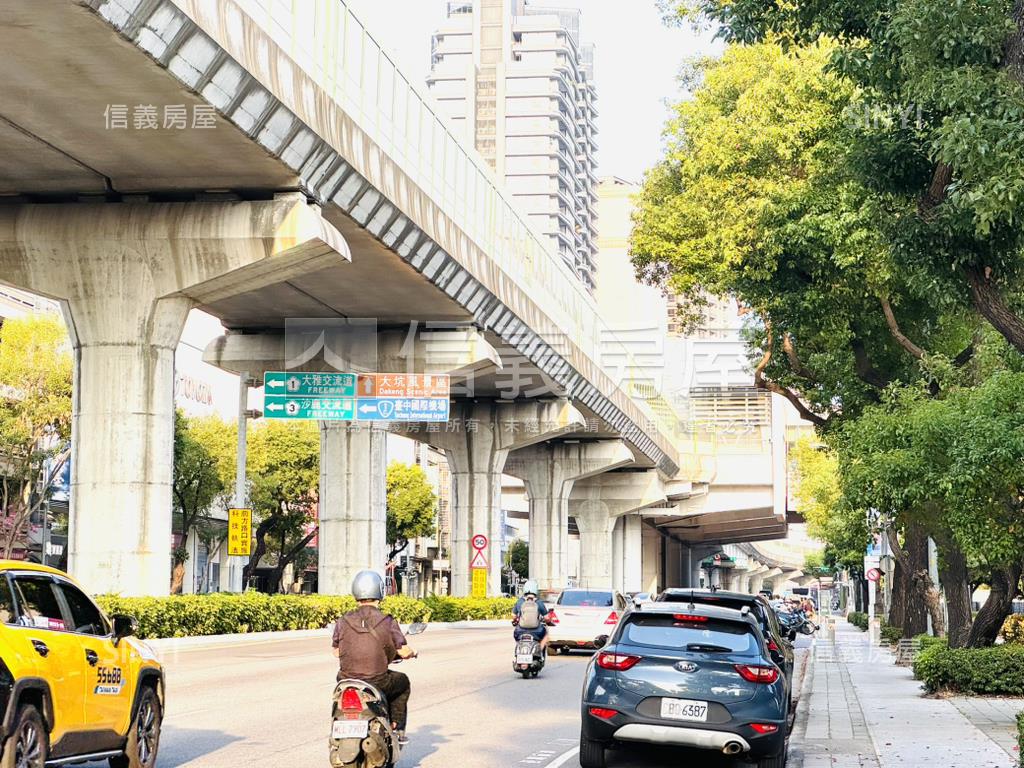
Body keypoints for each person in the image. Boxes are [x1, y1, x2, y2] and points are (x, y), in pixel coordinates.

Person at [332, 570, 417, 746]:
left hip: (346, 680)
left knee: (339, 696)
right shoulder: (387, 621)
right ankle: (396, 727)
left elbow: (336, 651)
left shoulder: (343, 620)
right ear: (380, 591)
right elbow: (403, 651)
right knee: (403, 682)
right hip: (377, 681)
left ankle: (337, 726)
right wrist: (412, 653)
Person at [513, 580, 551, 652]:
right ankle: (539, 650)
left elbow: (513, 616)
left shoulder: (520, 601)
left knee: (516, 636)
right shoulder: (539, 602)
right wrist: (549, 622)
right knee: (546, 634)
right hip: (536, 631)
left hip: (520, 631)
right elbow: (547, 618)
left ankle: (519, 649)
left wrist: (515, 620)